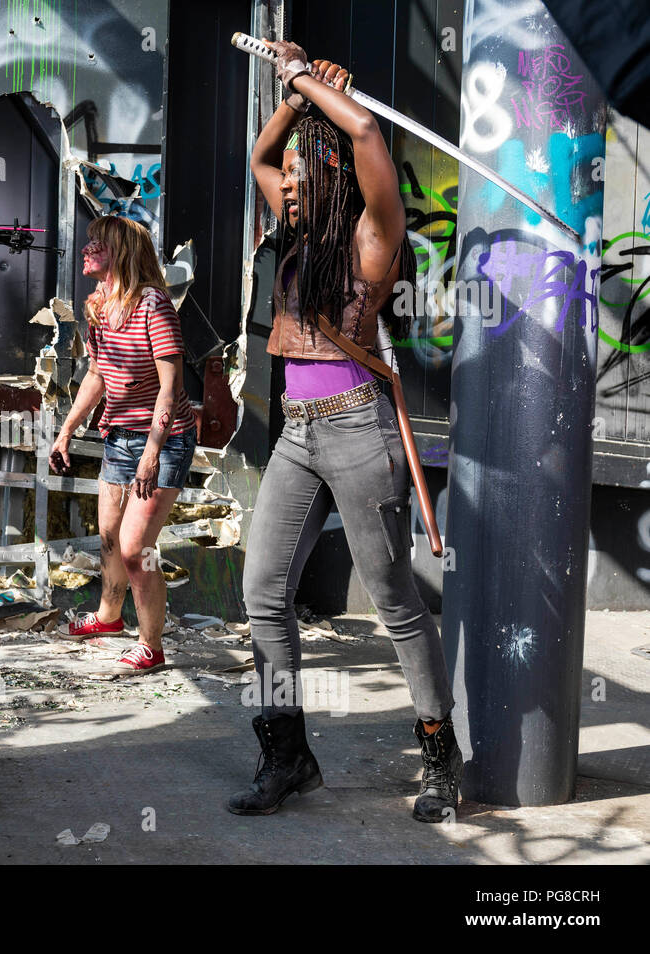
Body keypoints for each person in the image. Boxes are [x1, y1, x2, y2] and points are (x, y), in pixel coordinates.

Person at [227, 39, 462, 823]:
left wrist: (309, 82)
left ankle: (438, 759)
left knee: (395, 602)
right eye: (286, 174)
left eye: (299, 171)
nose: (284, 179)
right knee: (262, 594)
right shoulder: (292, 233)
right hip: (295, 434)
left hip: (360, 431)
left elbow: (365, 136)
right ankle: (287, 754)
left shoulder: (371, 236)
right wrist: (295, 92)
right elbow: (259, 151)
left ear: (326, 177)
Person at [49, 215, 199, 672]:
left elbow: (169, 388)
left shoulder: (153, 304)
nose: (86, 249)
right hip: (119, 436)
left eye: (98, 243)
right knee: (111, 539)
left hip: (165, 439)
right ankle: (108, 618)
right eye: (88, 241)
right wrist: (67, 429)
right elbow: (98, 374)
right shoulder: (98, 304)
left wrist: (153, 452)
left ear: (123, 252)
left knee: (137, 549)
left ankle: (151, 646)